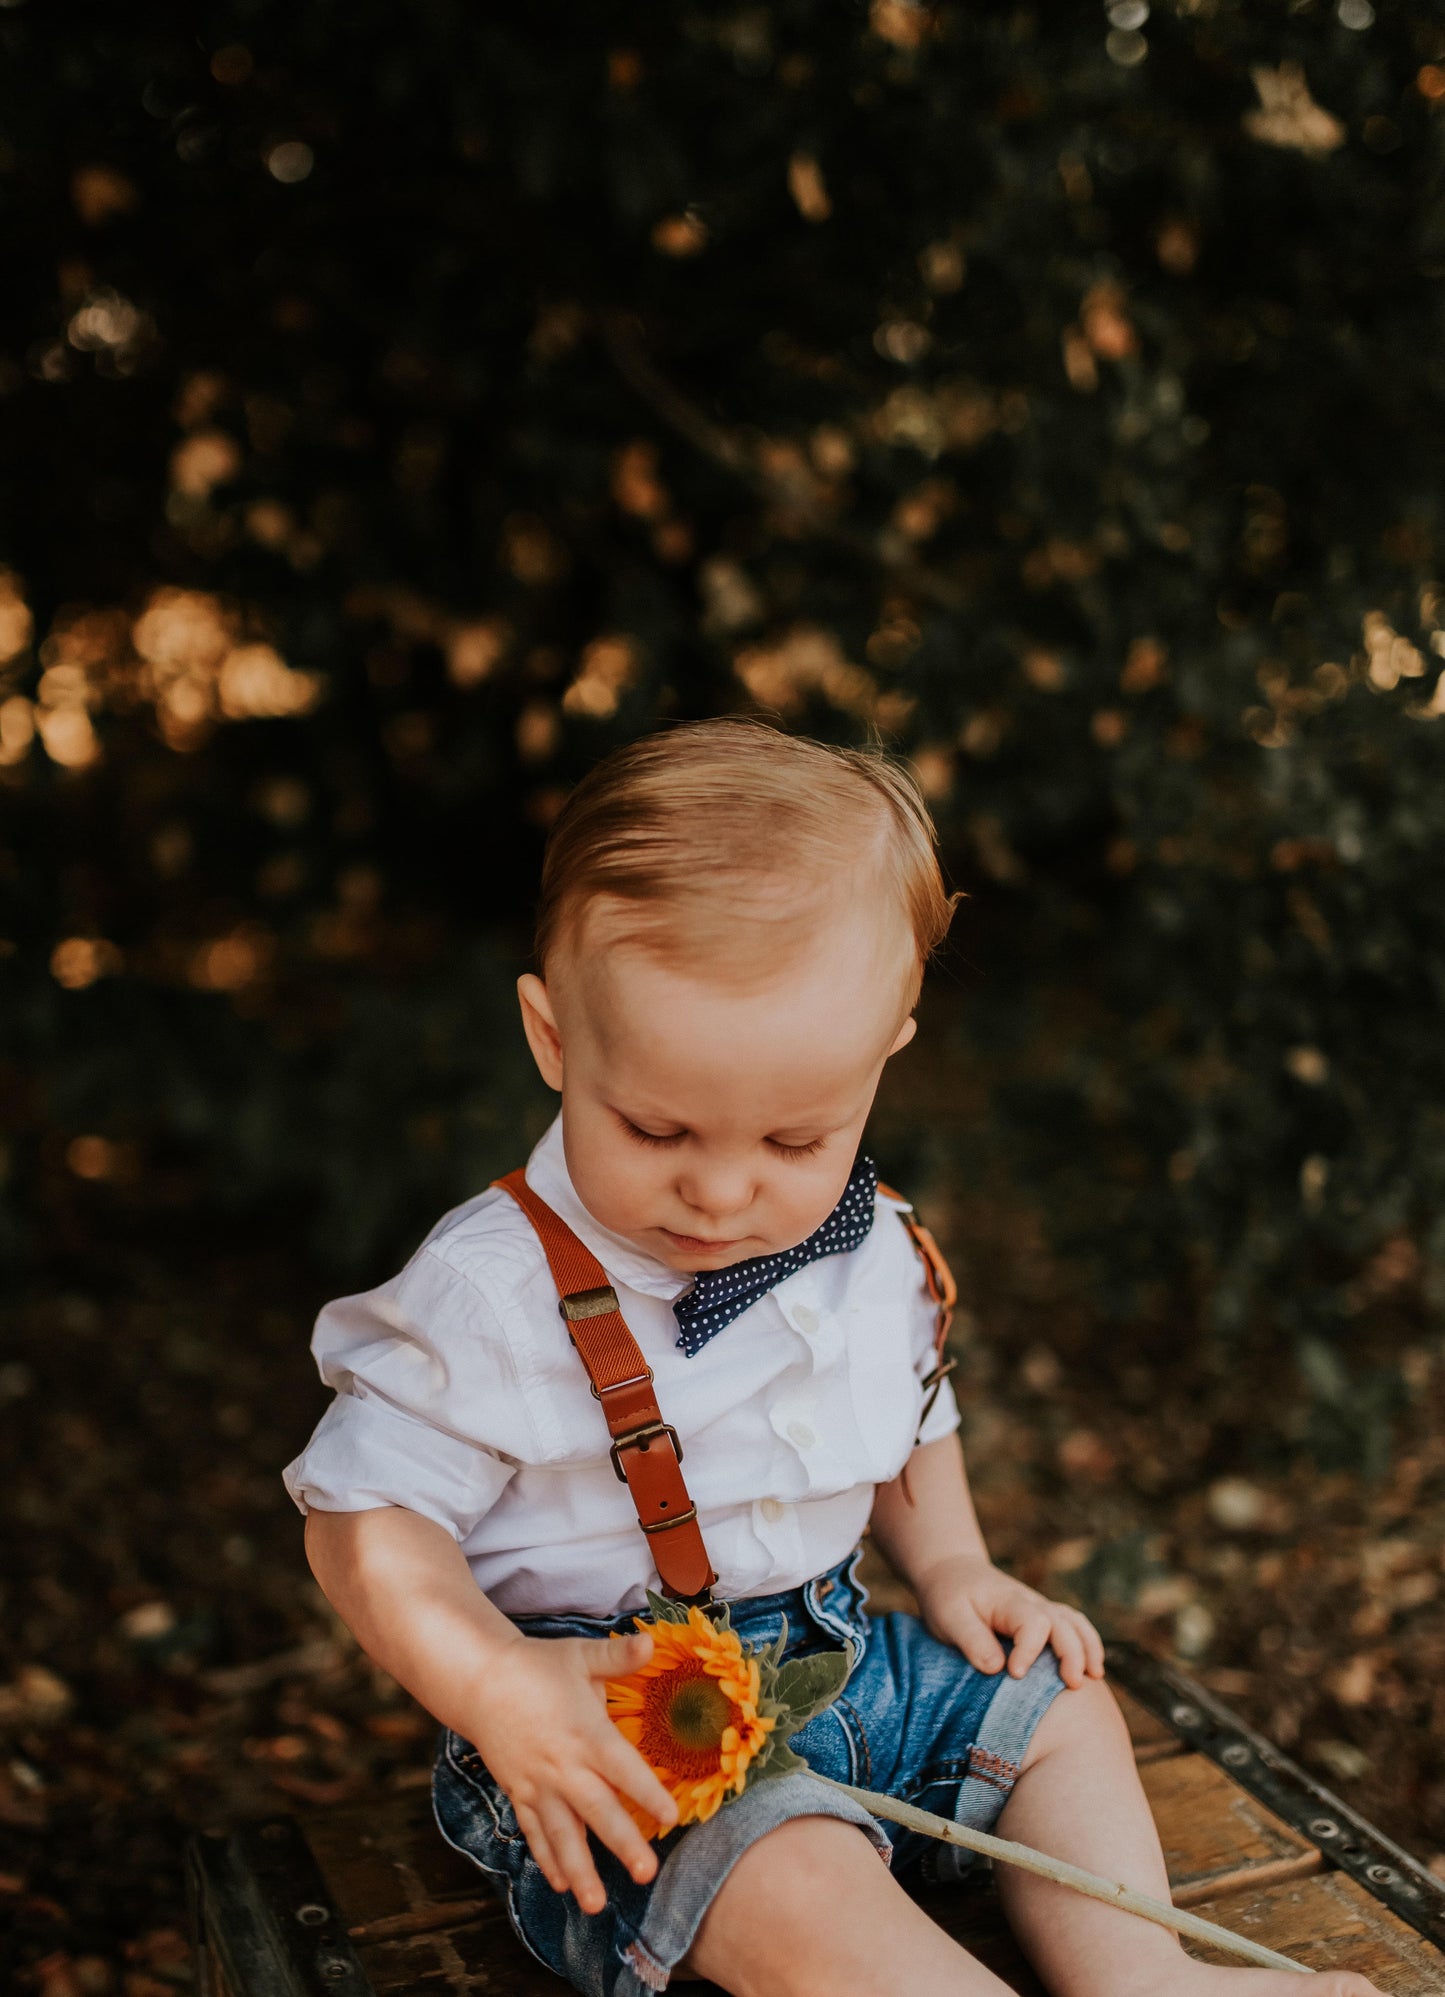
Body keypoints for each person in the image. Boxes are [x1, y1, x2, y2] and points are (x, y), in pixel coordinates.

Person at [285, 720, 1384, 1997]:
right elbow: (361, 1518)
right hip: (625, 1730)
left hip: (845, 1654)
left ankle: (1144, 1976)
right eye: (653, 1126)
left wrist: (956, 1563)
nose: (720, 1190)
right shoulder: (491, 1288)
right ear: (551, 1039)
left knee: (1060, 1704)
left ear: (886, 1056)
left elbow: (908, 1412)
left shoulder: (875, 1240)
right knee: (785, 1871)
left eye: (796, 1138)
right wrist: (496, 1686)